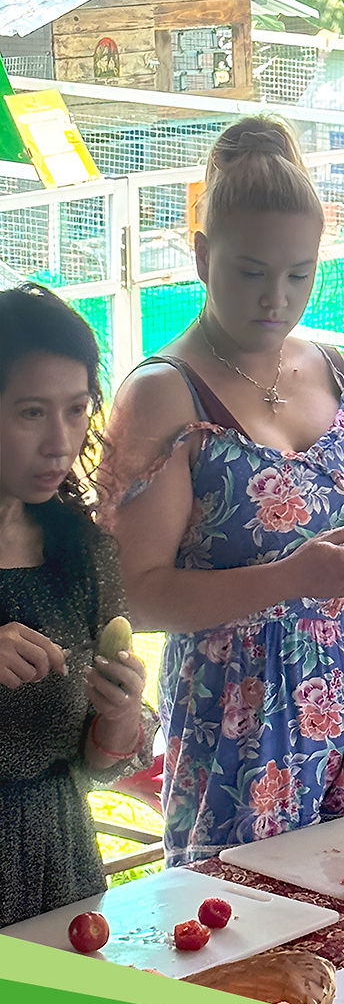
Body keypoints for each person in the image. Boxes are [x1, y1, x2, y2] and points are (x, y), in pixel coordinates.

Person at [100, 118, 344, 867]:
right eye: (251, 271)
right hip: (244, 726)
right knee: (250, 954)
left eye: (299, 273)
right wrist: (293, 578)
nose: (277, 298)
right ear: (202, 257)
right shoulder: (166, 397)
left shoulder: (340, 370)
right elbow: (139, 595)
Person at [0, 284, 155, 927]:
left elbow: (94, 764)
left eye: (75, 410)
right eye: (31, 412)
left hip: (59, 865)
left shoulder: (84, 553)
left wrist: (118, 720)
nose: (60, 442)